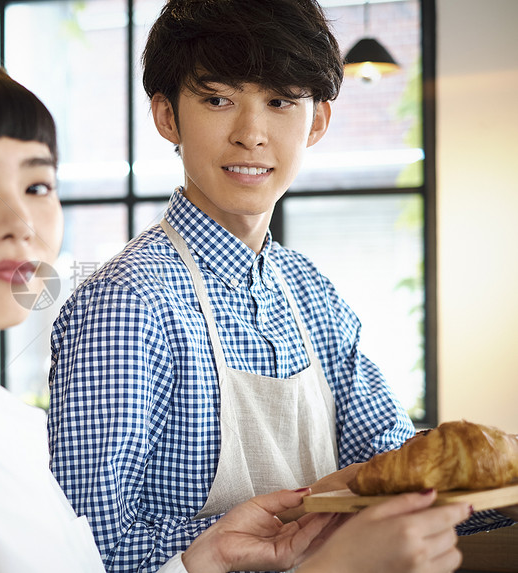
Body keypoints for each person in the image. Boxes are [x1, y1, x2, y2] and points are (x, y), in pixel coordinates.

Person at [0, 48, 470, 573]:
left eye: (37, 183)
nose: (17, 221)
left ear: (317, 119)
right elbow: (104, 541)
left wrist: (207, 553)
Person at [46, 1, 516, 571]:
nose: (251, 135)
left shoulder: (310, 291)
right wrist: (292, 527)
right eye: (218, 99)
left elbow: (401, 471)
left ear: (316, 121)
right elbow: (88, 551)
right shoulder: (127, 302)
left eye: (280, 102)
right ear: (167, 117)